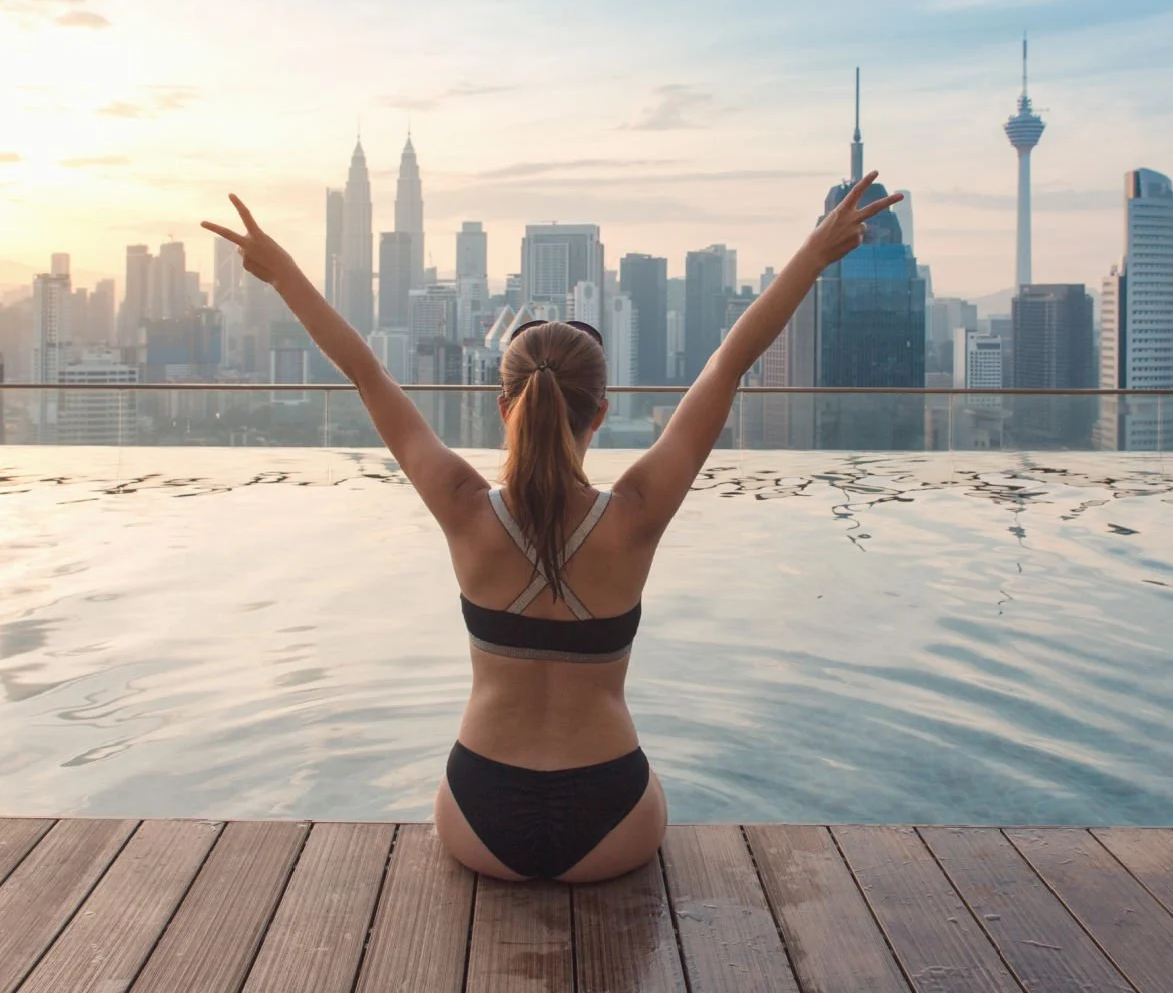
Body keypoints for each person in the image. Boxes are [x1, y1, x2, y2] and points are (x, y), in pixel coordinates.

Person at [201, 169, 899, 883]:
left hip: (480, 818)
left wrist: (284, 275)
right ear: (598, 413)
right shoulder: (635, 516)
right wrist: (813, 256)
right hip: (613, 820)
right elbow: (729, 363)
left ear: (505, 409)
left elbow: (367, 373)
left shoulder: (462, 507)